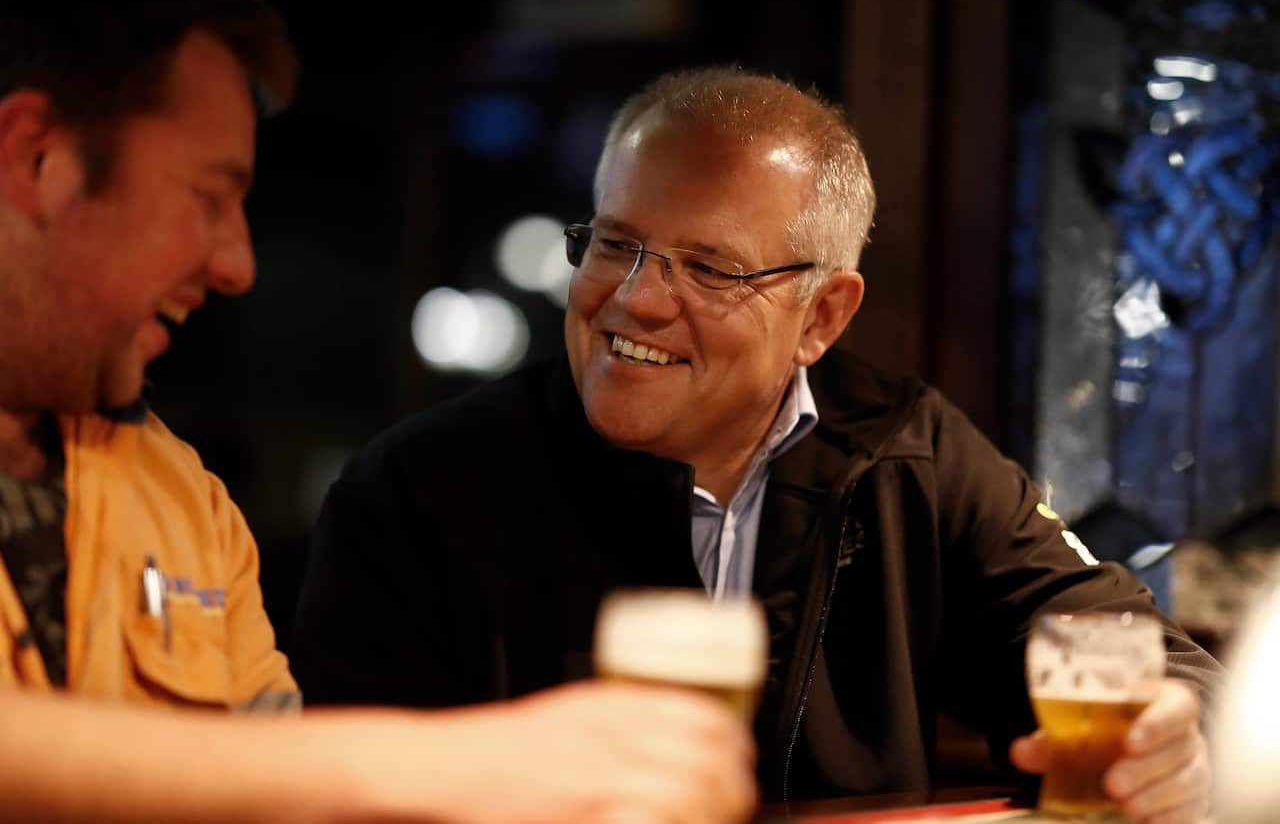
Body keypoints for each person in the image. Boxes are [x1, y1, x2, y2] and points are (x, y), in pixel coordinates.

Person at [293, 66, 1224, 823]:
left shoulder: (909, 451)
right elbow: (345, 791)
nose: (636, 300)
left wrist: (1175, 739)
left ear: (822, 315)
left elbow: (1140, 656)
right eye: (616, 245)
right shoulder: (418, 490)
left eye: (709, 268)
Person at [0, 0, 755, 822]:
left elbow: (277, 779)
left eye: (713, 270)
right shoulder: (417, 479)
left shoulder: (180, 497)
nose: (236, 263)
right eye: (209, 196)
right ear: (38, 157)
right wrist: (460, 767)